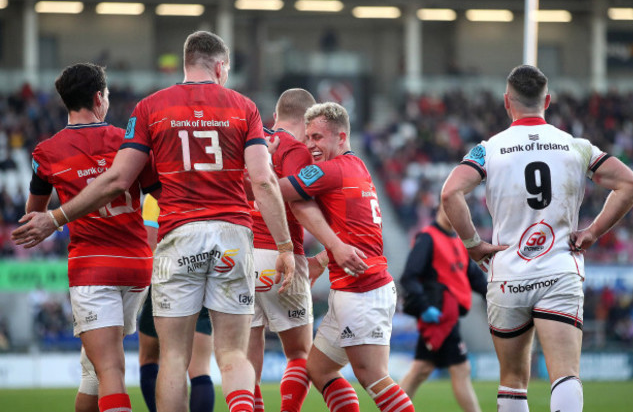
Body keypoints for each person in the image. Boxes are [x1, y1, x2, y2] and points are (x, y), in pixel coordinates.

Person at [13, 31, 295, 412]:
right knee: (230, 354)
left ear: (185, 61)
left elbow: (116, 180)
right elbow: (261, 181)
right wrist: (284, 246)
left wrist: (56, 218)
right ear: (221, 67)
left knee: (167, 358)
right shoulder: (244, 107)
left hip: (165, 241)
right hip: (222, 235)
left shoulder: (148, 109)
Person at [440, 64, 633, 412]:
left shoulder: (489, 149)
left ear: (507, 102)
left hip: (508, 274)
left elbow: (450, 194)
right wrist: (592, 232)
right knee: (564, 374)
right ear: (547, 100)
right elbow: (631, 185)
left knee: (513, 380)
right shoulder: (576, 146)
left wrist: (474, 245)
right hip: (559, 270)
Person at [20, 63, 160, 412]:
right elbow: (160, 195)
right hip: (137, 267)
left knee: (109, 367)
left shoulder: (46, 153)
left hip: (92, 269)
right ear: (99, 98)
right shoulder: (130, 145)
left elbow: (34, 215)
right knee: (93, 369)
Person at [278, 102, 415, 412]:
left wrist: (277, 157)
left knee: (373, 377)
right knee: (320, 369)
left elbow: (274, 189)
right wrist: (323, 259)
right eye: (307, 138)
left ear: (341, 137)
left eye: (317, 137)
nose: (310, 145)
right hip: (352, 288)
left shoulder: (332, 170)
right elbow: (352, 233)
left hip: (363, 289)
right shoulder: (357, 167)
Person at [246, 88, 319, 412]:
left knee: (247, 351)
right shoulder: (298, 149)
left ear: (275, 117)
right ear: (307, 121)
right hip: (279, 254)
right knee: (299, 353)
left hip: (239, 258)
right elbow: (302, 204)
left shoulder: (253, 141)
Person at [399, 203, 486, 412]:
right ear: (441, 208)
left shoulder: (458, 242)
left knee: (421, 368)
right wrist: (423, 307)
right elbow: (409, 277)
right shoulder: (427, 238)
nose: (456, 214)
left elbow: (475, 279)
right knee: (461, 368)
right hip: (439, 315)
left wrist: (496, 292)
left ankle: (392, 408)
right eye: (452, 208)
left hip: (448, 316)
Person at [138, 194, 215, 412]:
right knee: (200, 367)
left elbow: (150, 243)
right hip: (203, 278)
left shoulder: (156, 196)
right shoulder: (207, 186)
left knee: (155, 359)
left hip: (167, 280)